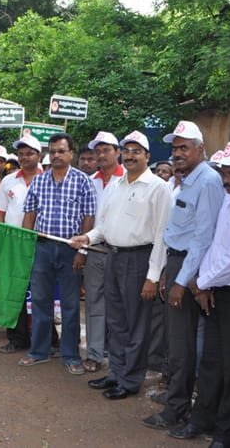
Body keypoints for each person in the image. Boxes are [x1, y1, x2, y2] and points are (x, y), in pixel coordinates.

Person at [167, 141, 230, 447]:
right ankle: (202, 419)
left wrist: (200, 282)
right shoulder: (227, 200)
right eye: (224, 173)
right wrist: (203, 283)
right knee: (211, 363)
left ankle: (226, 434)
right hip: (216, 292)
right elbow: (212, 244)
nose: (227, 180)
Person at [71, 130, 171, 399]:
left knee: (136, 323)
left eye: (136, 151)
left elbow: (162, 234)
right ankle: (115, 372)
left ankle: (130, 380)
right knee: (115, 321)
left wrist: (152, 275)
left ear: (147, 156)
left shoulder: (158, 188)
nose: (130, 155)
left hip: (139, 259)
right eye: (127, 150)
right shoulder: (116, 185)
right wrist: (87, 237)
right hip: (111, 255)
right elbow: (104, 226)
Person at [143, 120, 225, 431]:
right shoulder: (185, 180)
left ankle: (177, 408)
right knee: (176, 343)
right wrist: (167, 270)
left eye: (183, 148)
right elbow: (177, 232)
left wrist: (181, 281)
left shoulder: (207, 182)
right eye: (175, 148)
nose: (177, 154)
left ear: (201, 150)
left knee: (182, 345)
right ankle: (176, 397)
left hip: (191, 271)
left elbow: (204, 238)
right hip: (178, 264)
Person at [19, 133, 96, 375]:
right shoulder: (39, 182)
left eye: (61, 151)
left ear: (71, 154)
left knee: (71, 304)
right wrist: (26, 245)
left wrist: (82, 250)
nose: (56, 156)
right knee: (40, 301)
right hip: (42, 248)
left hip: (70, 250)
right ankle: (39, 351)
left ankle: (71, 355)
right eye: (52, 152)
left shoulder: (83, 181)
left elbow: (89, 218)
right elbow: (29, 213)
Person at [0, 134, 50, 354]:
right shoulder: (8, 181)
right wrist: (2, 239)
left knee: (41, 292)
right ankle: (17, 338)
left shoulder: (50, 179)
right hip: (14, 243)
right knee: (14, 291)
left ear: (40, 155)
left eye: (30, 153)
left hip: (41, 243)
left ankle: (46, 338)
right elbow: (0, 212)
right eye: (21, 154)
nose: (25, 158)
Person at [80, 131, 126, 373]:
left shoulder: (130, 178)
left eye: (106, 149)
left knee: (121, 304)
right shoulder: (90, 181)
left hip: (124, 250)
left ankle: (122, 356)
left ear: (117, 152)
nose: (101, 154)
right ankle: (95, 353)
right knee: (95, 302)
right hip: (95, 248)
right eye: (97, 151)